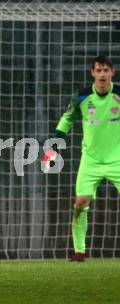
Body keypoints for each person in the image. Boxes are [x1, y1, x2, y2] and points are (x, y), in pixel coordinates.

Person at [44, 56, 120, 262]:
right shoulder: (82, 97)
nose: (102, 74)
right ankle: (79, 251)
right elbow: (67, 120)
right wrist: (54, 148)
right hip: (91, 160)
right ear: (92, 73)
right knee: (81, 202)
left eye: (106, 70)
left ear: (112, 73)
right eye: (99, 70)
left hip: (117, 160)